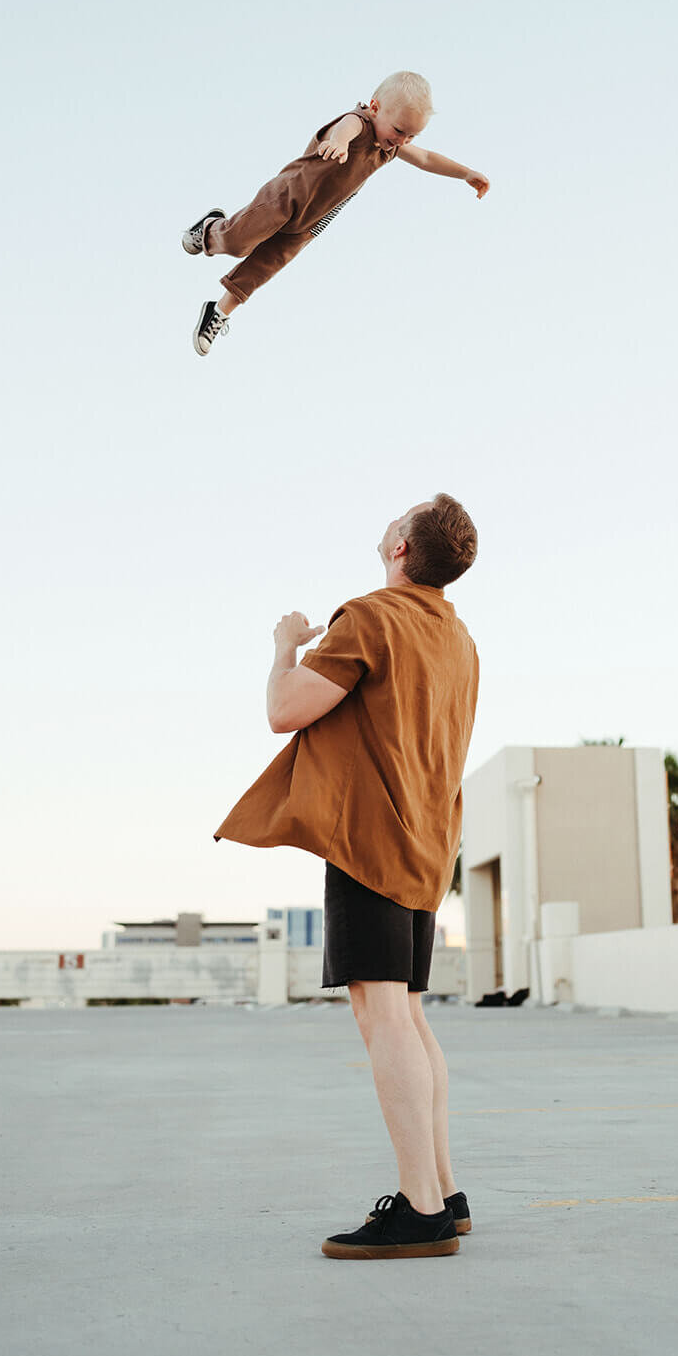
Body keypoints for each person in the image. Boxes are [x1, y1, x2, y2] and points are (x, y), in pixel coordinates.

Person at [215, 494, 480, 1259]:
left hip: (371, 839)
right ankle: (444, 1190)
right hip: (427, 842)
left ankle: (421, 1208)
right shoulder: (458, 639)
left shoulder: (371, 617)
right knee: (410, 1015)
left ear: (400, 546)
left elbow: (283, 710)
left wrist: (285, 647)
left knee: (381, 1015)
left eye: (398, 517)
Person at [182, 71, 490, 356]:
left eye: (410, 136)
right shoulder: (359, 122)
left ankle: (218, 312)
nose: (402, 141)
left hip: (310, 225)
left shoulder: (391, 148)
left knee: (259, 270)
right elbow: (345, 127)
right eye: (398, 131)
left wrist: (465, 173)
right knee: (238, 244)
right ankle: (209, 228)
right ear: (375, 107)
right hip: (285, 199)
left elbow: (425, 158)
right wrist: (340, 143)